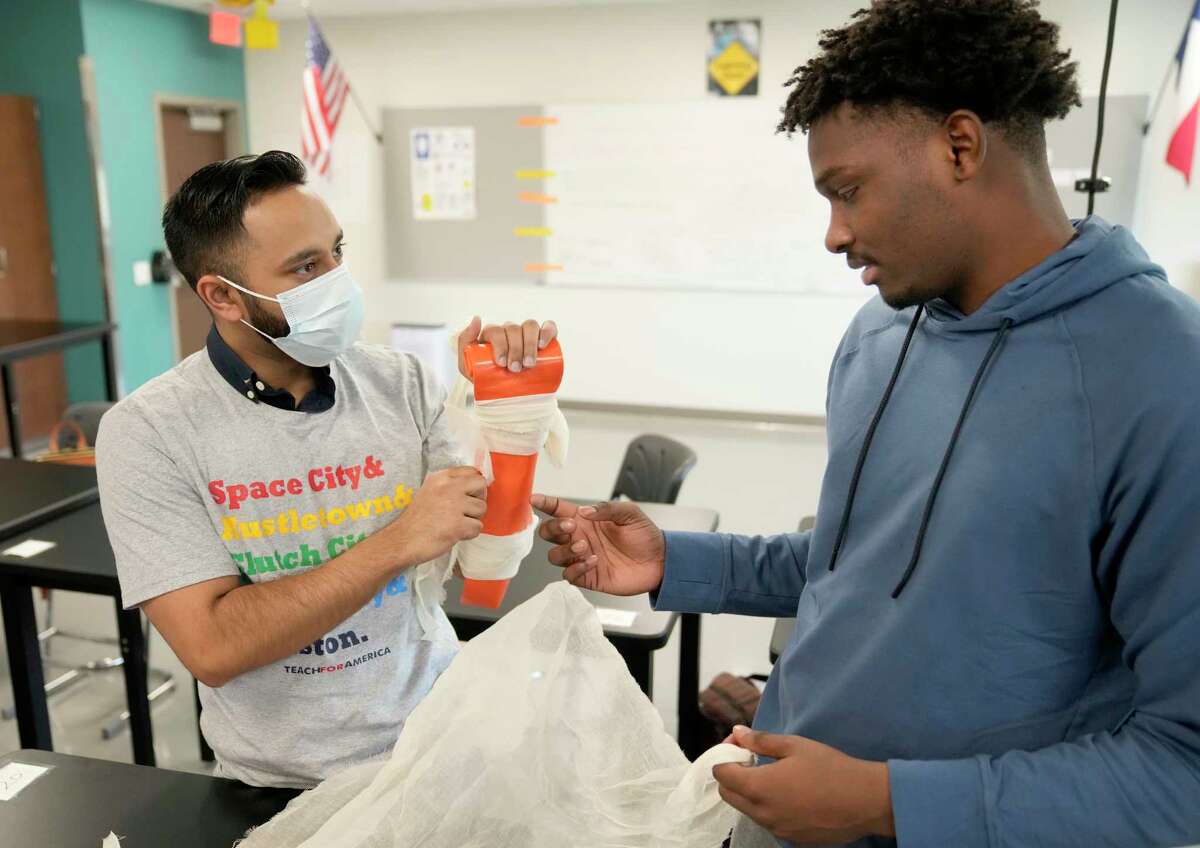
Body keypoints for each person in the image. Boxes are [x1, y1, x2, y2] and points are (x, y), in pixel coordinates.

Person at [533, 1, 1200, 845]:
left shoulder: (1162, 373)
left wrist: (889, 803)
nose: (834, 233)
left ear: (961, 146)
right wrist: (678, 561)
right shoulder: (883, 331)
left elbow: (1185, 769)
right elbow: (866, 563)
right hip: (777, 811)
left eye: (848, 191)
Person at [96, 150, 555, 789]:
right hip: (283, 784)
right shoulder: (149, 431)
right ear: (223, 295)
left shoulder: (399, 382)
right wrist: (397, 542)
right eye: (306, 267)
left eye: (337, 253)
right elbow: (214, 648)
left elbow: (486, 567)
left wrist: (508, 416)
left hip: (440, 743)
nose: (338, 279)